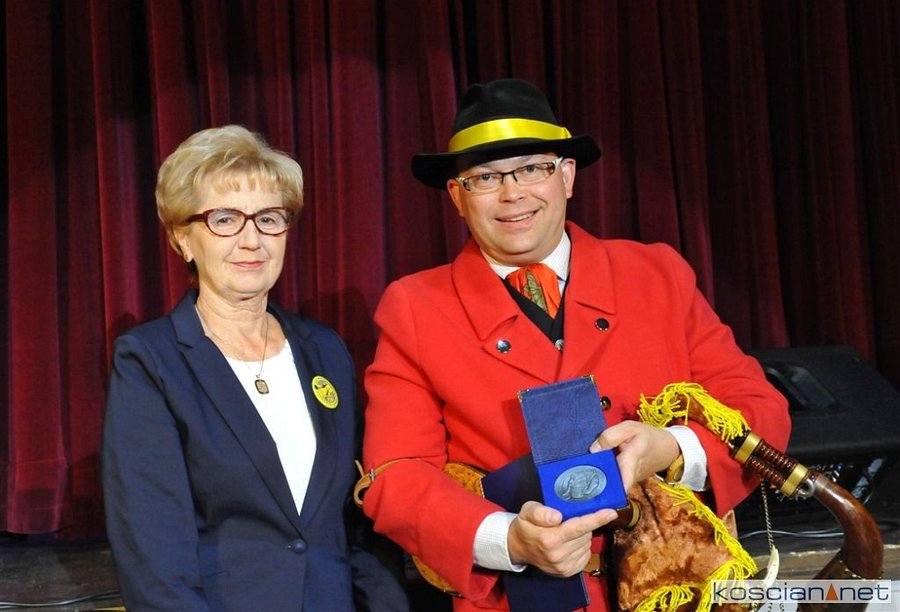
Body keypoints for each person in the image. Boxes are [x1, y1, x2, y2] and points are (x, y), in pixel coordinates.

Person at [359, 79, 791, 610]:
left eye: (531, 169)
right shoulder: (413, 307)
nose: (512, 193)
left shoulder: (657, 273)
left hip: (682, 593)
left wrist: (672, 448)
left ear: (566, 176)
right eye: (486, 178)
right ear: (457, 197)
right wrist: (508, 539)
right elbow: (395, 477)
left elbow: (760, 409)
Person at [102, 125, 408, 611]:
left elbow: (358, 524)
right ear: (183, 238)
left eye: (268, 219)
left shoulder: (324, 349)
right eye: (225, 219)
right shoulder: (150, 361)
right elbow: (154, 555)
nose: (252, 240)